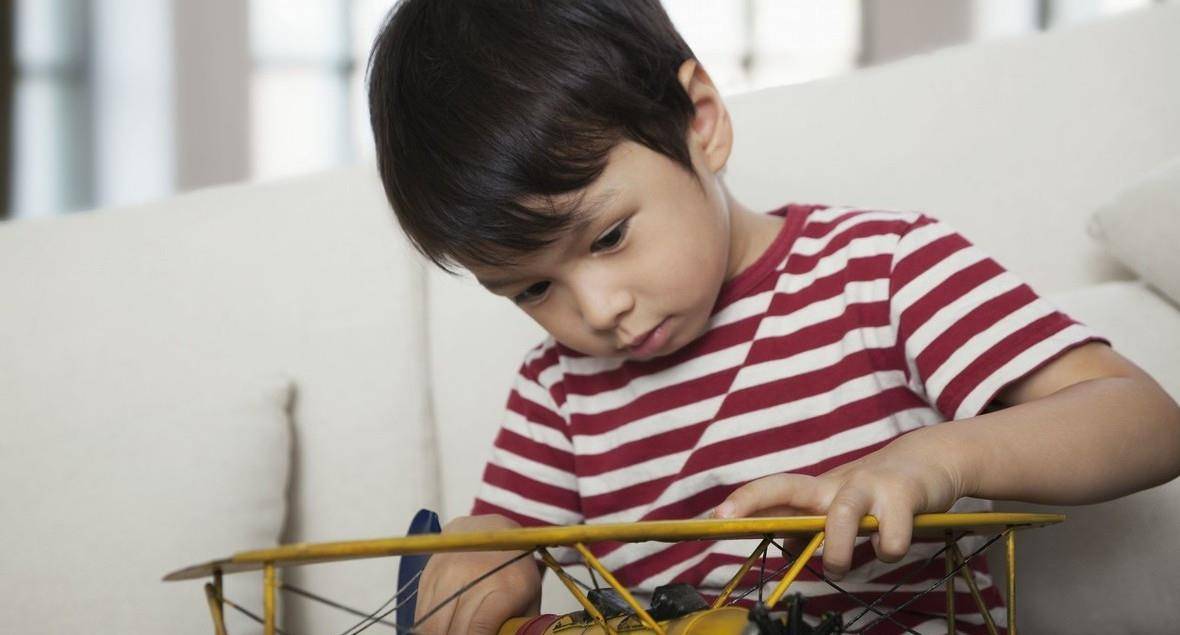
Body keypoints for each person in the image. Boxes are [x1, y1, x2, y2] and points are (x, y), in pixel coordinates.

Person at [366, 1, 1180, 633]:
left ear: (702, 121)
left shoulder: (883, 272)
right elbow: (506, 529)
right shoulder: (557, 393)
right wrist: (485, 548)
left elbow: (1144, 420)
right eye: (531, 290)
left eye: (610, 236)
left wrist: (937, 459)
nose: (598, 309)